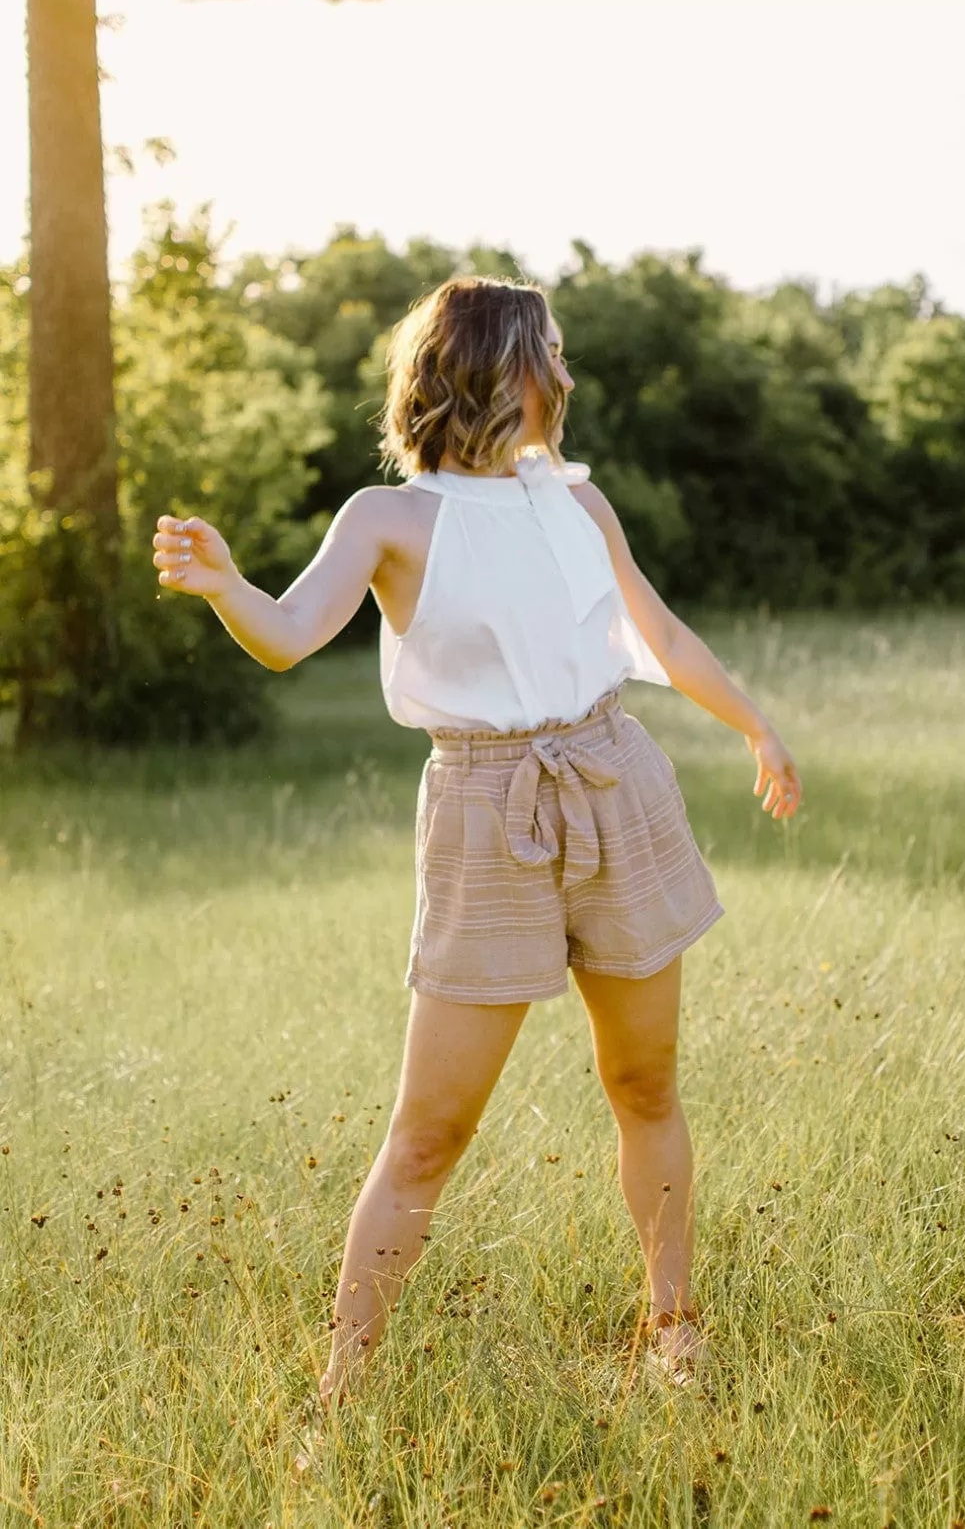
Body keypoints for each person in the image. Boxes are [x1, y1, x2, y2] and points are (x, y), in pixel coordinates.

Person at [151, 275, 802, 1405]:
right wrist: (225, 586)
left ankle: (674, 1333)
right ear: (498, 365)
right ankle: (338, 1390)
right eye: (549, 347)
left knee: (645, 1080)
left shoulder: (578, 502)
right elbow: (293, 634)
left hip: (613, 774)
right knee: (430, 1132)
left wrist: (759, 724)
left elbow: (659, 628)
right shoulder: (390, 516)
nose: (566, 368)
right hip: (485, 808)